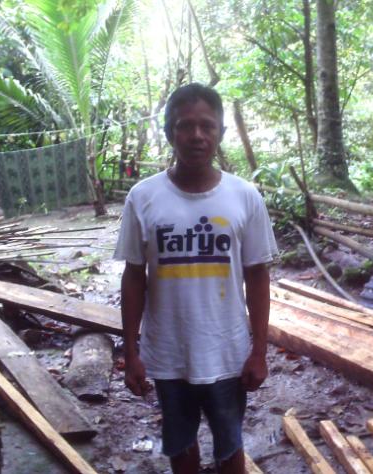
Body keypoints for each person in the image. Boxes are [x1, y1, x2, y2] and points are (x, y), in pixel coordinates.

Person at [114, 83, 278, 474]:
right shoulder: (143, 197)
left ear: (221, 132)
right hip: (169, 354)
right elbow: (134, 277)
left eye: (207, 125)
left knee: (230, 447)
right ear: (170, 132)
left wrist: (259, 351)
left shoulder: (244, 196)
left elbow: (257, 276)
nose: (197, 135)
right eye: (185, 126)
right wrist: (131, 353)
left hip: (227, 353)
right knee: (180, 446)